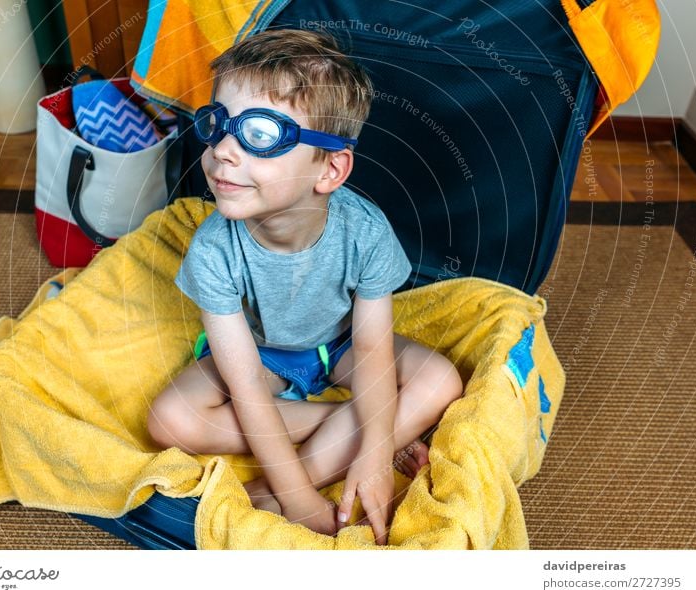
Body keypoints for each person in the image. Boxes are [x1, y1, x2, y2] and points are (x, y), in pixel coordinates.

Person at [147, 28, 463, 545]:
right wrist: (310, 498)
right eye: (218, 125)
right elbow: (245, 382)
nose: (224, 151)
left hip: (342, 347)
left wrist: (369, 458)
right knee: (169, 420)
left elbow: (370, 347)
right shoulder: (213, 249)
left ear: (330, 168)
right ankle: (360, 424)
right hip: (263, 354)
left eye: (261, 135)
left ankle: (278, 489)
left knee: (441, 381)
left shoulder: (365, 231)